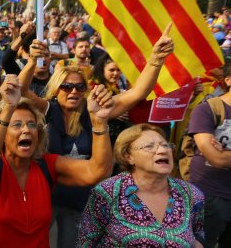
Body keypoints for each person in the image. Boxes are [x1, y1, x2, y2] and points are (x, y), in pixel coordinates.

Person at [18, 24, 174, 247]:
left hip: (82, 198)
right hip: (46, 195)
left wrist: (156, 60)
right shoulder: (47, 109)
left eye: (80, 87)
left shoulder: (95, 109)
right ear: (56, 89)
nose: (73, 91)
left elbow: (138, 92)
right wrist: (32, 61)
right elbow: (22, 91)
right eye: (67, 86)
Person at [0, 74, 114, 247]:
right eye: (16, 125)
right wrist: (9, 108)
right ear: (2, 133)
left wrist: (99, 123)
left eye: (32, 125)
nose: (26, 130)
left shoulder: (47, 165)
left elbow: (98, 171)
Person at [78, 124, 205, 247]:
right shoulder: (107, 193)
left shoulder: (191, 193)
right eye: (149, 146)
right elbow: (86, 242)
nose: (162, 150)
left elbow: (198, 235)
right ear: (128, 157)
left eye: (165, 145)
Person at [187, 58, 231, 248]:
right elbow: (216, 158)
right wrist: (221, 156)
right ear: (228, 80)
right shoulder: (207, 109)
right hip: (211, 195)